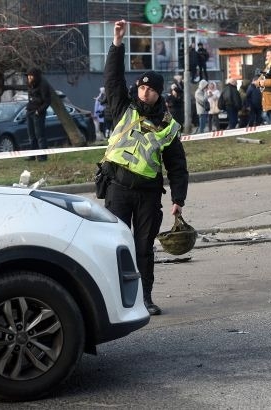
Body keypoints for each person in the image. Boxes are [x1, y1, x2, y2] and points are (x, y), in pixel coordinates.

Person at [99, 20, 189, 316]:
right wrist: (117, 42)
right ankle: (114, 300)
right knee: (115, 247)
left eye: (150, 89)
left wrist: (178, 199)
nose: (144, 91)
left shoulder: (168, 126)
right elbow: (112, 78)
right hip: (118, 190)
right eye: (142, 87)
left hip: (148, 194)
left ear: (159, 93)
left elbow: (177, 165)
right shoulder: (122, 109)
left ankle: (144, 298)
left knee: (143, 249)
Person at [25, 67, 52, 162]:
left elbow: (47, 101)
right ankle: (32, 155)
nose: (29, 78)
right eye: (28, 76)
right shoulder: (29, 84)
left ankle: (42, 156)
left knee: (40, 135)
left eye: (31, 76)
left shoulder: (43, 85)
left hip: (38, 113)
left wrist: (39, 111)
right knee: (31, 135)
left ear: (35, 76)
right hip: (29, 111)